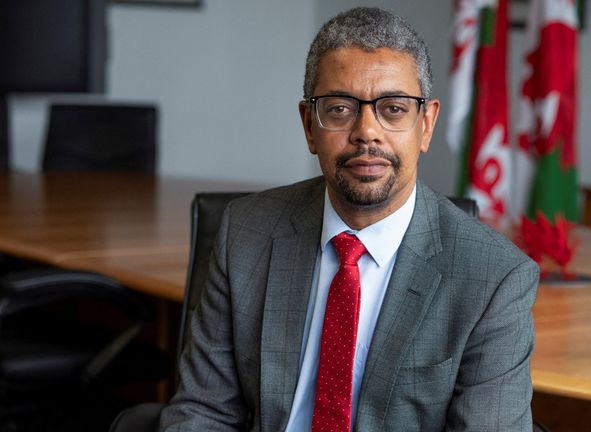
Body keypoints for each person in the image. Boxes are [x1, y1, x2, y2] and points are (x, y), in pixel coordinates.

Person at [160, 6, 538, 431]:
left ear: (426, 124)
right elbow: (203, 412)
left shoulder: (494, 278)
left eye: (393, 109)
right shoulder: (245, 232)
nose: (367, 131)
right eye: (340, 109)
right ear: (308, 125)